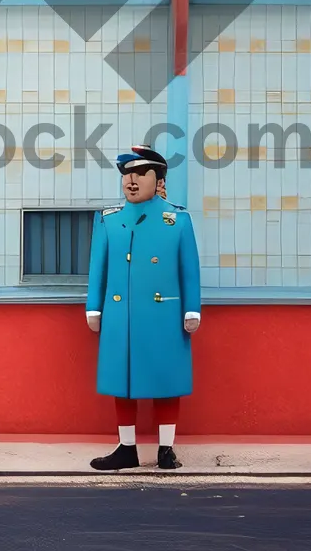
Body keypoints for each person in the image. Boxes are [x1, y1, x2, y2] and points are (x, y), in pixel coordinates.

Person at [85, 144, 201, 471]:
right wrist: (93, 306)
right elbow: (99, 267)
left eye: (139, 173)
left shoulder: (176, 220)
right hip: (121, 317)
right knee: (122, 383)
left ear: (157, 179)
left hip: (163, 315)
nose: (131, 181)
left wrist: (192, 309)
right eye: (126, 175)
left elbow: (189, 269)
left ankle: (166, 449)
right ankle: (127, 448)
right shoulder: (110, 220)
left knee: (166, 381)